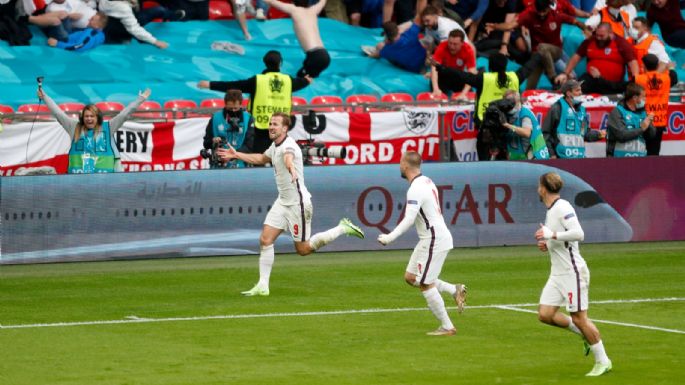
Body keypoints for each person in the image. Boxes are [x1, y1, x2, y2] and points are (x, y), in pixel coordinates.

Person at [216, 112, 366, 296]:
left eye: (275, 124)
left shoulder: (289, 146)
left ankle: (342, 228)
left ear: (285, 129)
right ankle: (263, 286)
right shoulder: (275, 145)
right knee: (265, 240)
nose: (271, 126)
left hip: (298, 204)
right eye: (270, 123)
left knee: (303, 249)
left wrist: (292, 168)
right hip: (283, 202)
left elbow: (288, 158)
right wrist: (236, 154)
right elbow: (261, 159)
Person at [377, 151, 467, 336]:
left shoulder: (416, 188)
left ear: (405, 165)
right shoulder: (427, 181)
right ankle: (453, 289)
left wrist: (390, 237)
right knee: (411, 277)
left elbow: (409, 219)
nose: (399, 165)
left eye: (400, 162)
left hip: (434, 239)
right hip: (430, 238)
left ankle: (447, 326)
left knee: (426, 284)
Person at [534, 171, 612, 377]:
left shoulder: (563, 207)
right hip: (557, 273)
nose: (537, 188)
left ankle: (603, 361)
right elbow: (560, 239)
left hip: (573, 272)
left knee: (579, 318)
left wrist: (553, 235)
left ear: (543, 188)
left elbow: (579, 234)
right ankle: (584, 336)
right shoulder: (551, 210)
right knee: (545, 314)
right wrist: (547, 243)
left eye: (538, 185)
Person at [432, 52, 543, 160]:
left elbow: (462, 76)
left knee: (484, 162)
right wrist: (538, 55)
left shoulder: (484, 79)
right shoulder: (515, 77)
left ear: (490, 65)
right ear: (505, 65)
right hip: (509, 127)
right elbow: (528, 68)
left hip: (487, 128)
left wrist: (442, 69)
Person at [198, 50, 312, 153]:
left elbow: (235, 85)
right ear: (280, 63)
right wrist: (306, 80)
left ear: (264, 62)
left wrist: (210, 85)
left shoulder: (258, 80)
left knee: (258, 162)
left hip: (259, 128)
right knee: (279, 162)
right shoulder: (288, 81)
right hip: (280, 128)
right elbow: (304, 81)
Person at [39, 87, 151, 173]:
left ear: (98, 117)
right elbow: (58, 113)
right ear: (83, 118)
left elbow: (124, 114)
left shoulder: (109, 127)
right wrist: (44, 97)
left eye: (92, 116)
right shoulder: (74, 127)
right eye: (86, 116)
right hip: (76, 182)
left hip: (104, 183)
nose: (89, 119)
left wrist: (140, 100)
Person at [499, 0, 588, 90]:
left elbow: (575, 21)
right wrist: (495, 27)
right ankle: (552, 78)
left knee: (573, 78)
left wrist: (585, 28)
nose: (541, 14)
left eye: (544, 11)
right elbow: (511, 25)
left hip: (556, 52)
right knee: (530, 87)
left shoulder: (557, 15)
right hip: (538, 54)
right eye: (539, 11)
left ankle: (556, 83)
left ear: (549, 9)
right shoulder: (529, 15)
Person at [555, 23, 639, 95]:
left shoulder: (621, 44)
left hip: (612, 84)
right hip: (591, 80)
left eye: (602, 36)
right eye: (597, 35)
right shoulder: (590, 41)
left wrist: (636, 81)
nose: (598, 38)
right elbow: (576, 57)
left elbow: (632, 63)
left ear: (610, 33)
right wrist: (565, 73)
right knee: (575, 87)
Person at [265, 0, 330, 78]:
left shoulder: (294, 10)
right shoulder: (313, 10)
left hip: (314, 56)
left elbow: (272, 2)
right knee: (308, 77)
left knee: (301, 80)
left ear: (293, 3)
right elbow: (322, 2)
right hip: (325, 55)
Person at [542, 80, 604, 159]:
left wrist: (598, 135)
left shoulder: (582, 110)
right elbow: (546, 133)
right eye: (577, 90)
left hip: (579, 158)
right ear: (568, 93)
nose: (580, 92)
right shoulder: (557, 108)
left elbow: (583, 133)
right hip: (560, 157)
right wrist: (551, 154)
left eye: (580, 90)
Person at [634, 54, 677, 156]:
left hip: (643, 121)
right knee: (654, 152)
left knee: (639, 152)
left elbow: (620, 87)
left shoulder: (639, 79)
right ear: (657, 66)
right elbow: (674, 77)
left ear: (643, 66)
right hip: (659, 121)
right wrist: (669, 67)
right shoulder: (666, 79)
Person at [203, 89, 255, 168]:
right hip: (218, 168)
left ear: (241, 105)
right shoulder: (215, 118)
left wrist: (232, 155)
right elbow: (206, 143)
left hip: (242, 168)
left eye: (235, 108)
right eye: (230, 109)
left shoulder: (248, 119)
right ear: (225, 104)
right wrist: (213, 141)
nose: (233, 111)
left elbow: (250, 146)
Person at [606, 82, 655, 157]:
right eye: (643, 97)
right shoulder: (617, 112)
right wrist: (641, 129)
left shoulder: (643, 112)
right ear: (635, 98)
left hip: (640, 159)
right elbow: (621, 135)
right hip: (618, 160)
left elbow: (651, 136)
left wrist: (649, 125)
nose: (645, 99)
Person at [500, 90, 549, 159]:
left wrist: (508, 125)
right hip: (520, 156)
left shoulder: (525, 113)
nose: (509, 104)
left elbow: (526, 133)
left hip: (535, 156)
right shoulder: (509, 114)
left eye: (511, 101)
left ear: (517, 101)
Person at [430, 28, 477, 99]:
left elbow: (472, 73)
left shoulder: (468, 50)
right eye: (450, 43)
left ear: (462, 43)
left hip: (457, 76)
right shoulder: (442, 46)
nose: (452, 47)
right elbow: (434, 67)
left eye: (455, 44)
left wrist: (463, 93)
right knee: (433, 83)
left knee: (468, 91)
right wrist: (435, 88)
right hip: (444, 75)